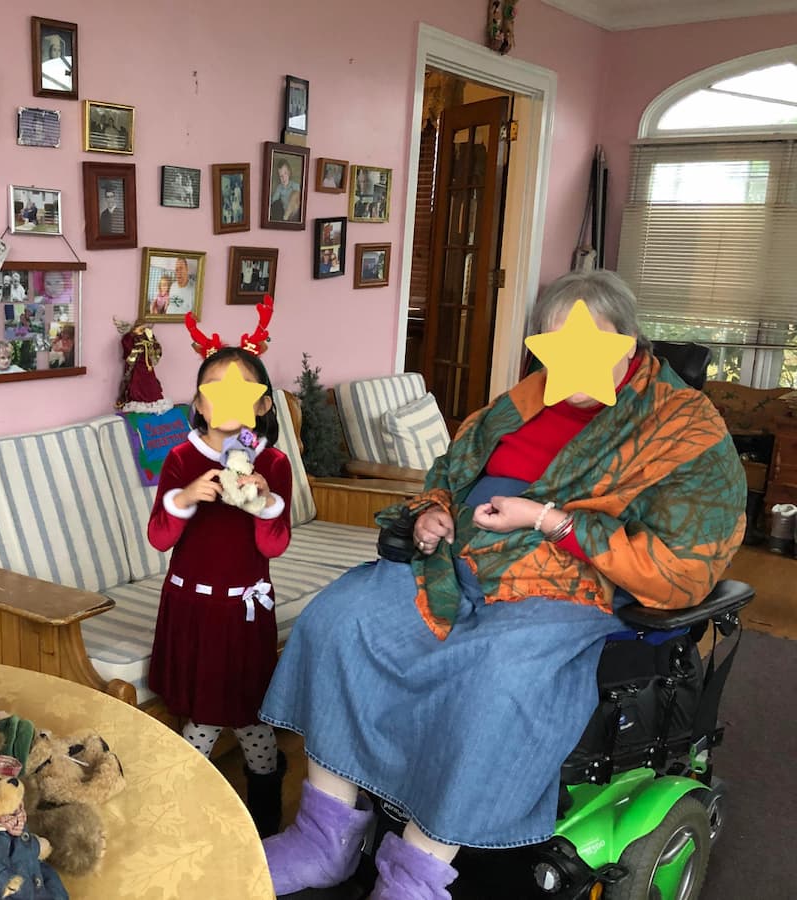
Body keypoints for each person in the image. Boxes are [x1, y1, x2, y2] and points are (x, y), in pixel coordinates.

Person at [259, 270, 746, 898]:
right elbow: (450, 470)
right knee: (340, 618)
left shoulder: (684, 426)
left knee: (493, 676)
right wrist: (435, 510)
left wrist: (545, 519)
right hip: (461, 561)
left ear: (628, 342)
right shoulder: (525, 398)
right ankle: (323, 837)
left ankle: (416, 874)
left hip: (571, 584)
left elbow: (686, 565)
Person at [147, 346, 293, 836]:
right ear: (198, 403)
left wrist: (264, 501)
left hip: (244, 611)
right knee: (204, 710)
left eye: (243, 392)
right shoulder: (181, 458)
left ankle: (264, 811)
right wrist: (186, 497)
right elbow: (159, 537)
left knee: (246, 713)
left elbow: (274, 545)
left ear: (263, 404)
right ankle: (184, 812)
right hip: (191, 606)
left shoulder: (273, 462)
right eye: (216, 391)